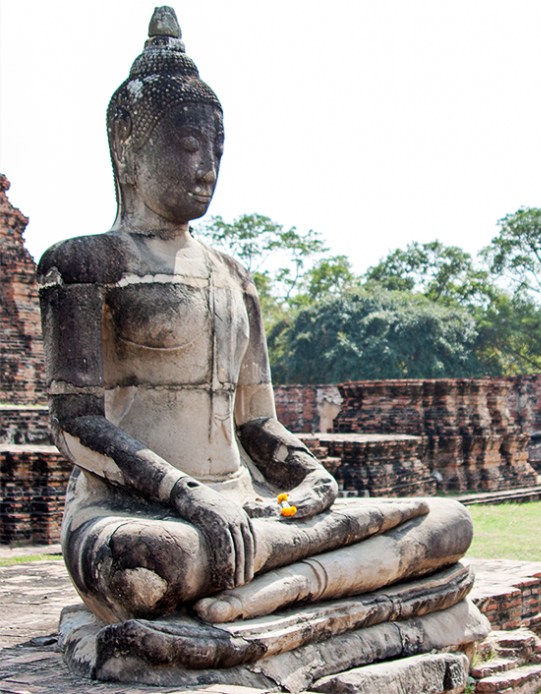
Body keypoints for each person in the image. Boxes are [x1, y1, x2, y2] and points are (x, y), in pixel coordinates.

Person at [39, 6, 471, 626]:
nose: (207, 167)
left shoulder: (233, 275)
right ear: (127, 147)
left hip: (248, 509)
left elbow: (257, 423)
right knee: (148, 565)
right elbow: (75, 422)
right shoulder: (84, 265)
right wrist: (187, 495)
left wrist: (312, 477)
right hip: (136, 514)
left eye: (217, 149)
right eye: (188, 146)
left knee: (445, 522)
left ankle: (262, 593)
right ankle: (297, 587)